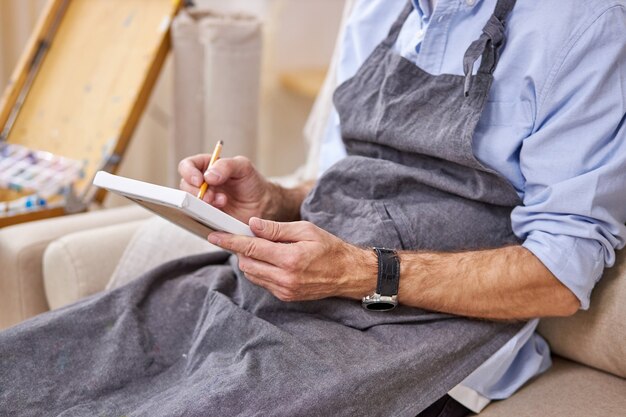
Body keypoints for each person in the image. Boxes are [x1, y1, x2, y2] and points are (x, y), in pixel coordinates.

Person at [1, 1, 625, 416]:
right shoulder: (379, 7)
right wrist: (277, 200)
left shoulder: (588, 24)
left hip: (418, 338)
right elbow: (352, 174)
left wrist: (360, 272)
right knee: (31, 364)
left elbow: (559, 276)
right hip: (289, 291)